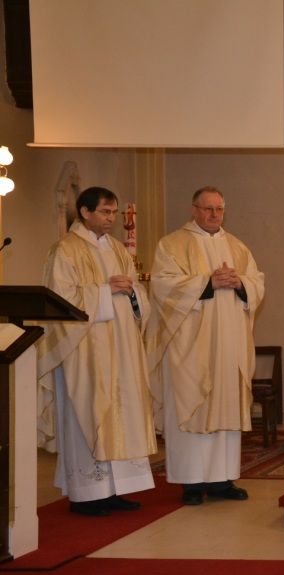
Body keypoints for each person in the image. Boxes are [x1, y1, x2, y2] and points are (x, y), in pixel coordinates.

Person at [36, 186, 155, 516]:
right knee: (88, 412)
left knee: (122, 413)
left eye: (114, 212)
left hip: (122, 347)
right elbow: (59, 300)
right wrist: (104, 291)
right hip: (85, 350)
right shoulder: (64, 250)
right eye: (105, 212)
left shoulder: (117, 249)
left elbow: (137, 291)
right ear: (85, 212)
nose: (111, 218)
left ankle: (116, 489)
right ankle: (88, 493)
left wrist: (133, 294)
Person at [147, 187, 265, 506]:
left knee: (225, 406)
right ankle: (190, 482)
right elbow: (162, 286)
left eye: (219, 209)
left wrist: (241, 283)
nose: (214, 215)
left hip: (228, 345)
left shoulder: (237, 247)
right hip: (190, 347)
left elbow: (257, 282)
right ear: (194, 210)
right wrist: (207, 283)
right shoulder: (172, 245)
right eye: (208, 209)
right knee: (191, 404)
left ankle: (222, 480)